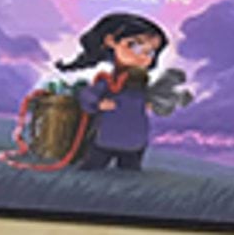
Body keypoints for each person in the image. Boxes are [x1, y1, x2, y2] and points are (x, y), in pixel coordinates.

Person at [57, 12, 186, 171]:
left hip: (134, 141)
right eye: (135, 46)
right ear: (111, 41)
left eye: (150, 52)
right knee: (92, 170)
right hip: (106, 138)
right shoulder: (107, 80)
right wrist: (98, 103)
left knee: (129, 174)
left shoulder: (141, 84)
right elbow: (87, 95)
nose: (143, 56)